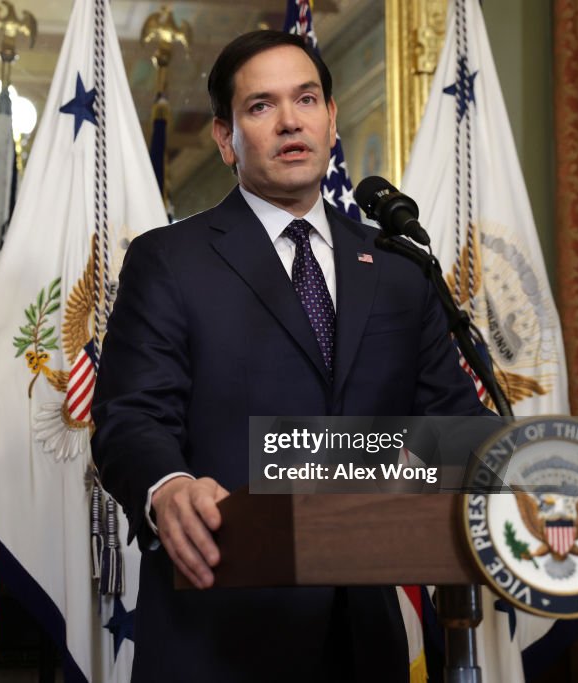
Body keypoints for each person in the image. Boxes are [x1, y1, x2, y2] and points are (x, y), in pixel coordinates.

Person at [91, 30, 486, 682]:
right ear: (225, 138)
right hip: (218, 634)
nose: (290, 121)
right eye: (261, 106)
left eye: (305, 99)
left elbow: (454, 425)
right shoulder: (170, 261)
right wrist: (168, 485)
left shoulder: (397, 267)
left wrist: (501, 465)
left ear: (332, 118)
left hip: (364, 640)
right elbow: (131, 417)